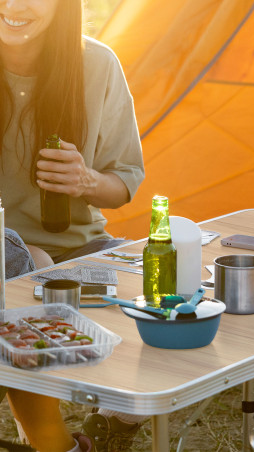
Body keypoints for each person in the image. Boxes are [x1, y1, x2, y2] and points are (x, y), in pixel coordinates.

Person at [0, 0, 148, 450]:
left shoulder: (97, 64)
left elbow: (124, 182)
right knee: (21, 278)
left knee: (168, 287)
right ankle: (56, 445)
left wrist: (85, 180)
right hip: (9, 259)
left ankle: (113, 421)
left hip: (78, 250)